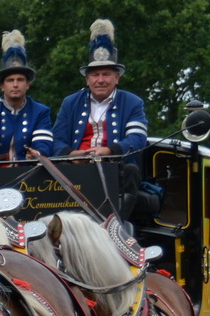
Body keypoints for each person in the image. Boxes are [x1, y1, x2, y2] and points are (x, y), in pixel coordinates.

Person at [53, 20, 153, 218]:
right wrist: (72, 154)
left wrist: (109, 151)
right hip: (76, 170)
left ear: (117, 78)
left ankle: (117, 226)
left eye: (106, 74)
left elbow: (137, 139)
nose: (100, 80)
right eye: (95, 74)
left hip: (115, 169)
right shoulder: (70, 103)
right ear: (87, 79)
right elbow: (56, 139)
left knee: (132, 170)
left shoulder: (132, 102)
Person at [0, 31, 54, 162]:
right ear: (2, 86)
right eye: (10, 80)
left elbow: (43, 143)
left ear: (28, 84)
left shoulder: (40, 111)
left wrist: (37, 153)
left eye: (20, 80)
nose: (16, 85)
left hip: (30, 174)